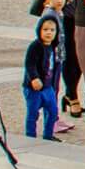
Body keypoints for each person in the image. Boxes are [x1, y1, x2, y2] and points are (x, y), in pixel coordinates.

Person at [23, 9, 62, 141]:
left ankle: (48, 135)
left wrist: (54, 84)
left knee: (52, 111)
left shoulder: (53, 46)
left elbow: (54, 66)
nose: (48, 33)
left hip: (48, 86)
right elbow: (30, 64)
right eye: (45, 30)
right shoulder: (35, 46)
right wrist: (34, 78)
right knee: (33, 113)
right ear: (39, 30)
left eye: (52, 30)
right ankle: (30, 136)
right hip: (34, 88)